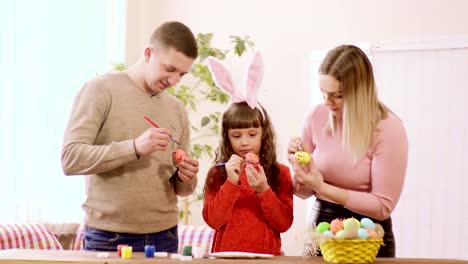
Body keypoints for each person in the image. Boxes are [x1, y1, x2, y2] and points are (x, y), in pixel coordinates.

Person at [61, 21, 200, 252]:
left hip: (165, 236)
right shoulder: (100, 89)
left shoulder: (177, 108)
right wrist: (134, 147)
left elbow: (182, 189)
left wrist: (187, 177)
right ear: (148, 53)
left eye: (182, 74)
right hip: (109, 237)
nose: (174, 81)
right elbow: (70, 158)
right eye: (169, 69)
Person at [287, 45, 408, 257]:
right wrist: (299, 169)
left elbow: (382, 206)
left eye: (337, 95)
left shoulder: (388, 129)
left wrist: (321, 186)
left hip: (368, 236)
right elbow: (303, 192)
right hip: (321, 232)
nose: (327, 101)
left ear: (361, 92)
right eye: (323, 93)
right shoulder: (317, 116)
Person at [202, 52, 294, 256]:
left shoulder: (280, 173)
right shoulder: (218, 174)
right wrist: (231, 184)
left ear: (263, 133)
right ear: (227, 137)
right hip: (225, 258)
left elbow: (284, 223)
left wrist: (263, 190)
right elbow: (213, 221)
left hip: (267, 258)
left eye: (252, 134)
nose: (244, 142)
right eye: (236, 135)